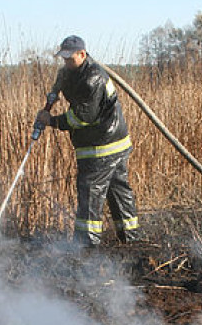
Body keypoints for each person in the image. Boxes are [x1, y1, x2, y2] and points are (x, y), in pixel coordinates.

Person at [35, 35, 140, 247]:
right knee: (118, 191)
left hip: (101, 146)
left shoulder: (94, 78)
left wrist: (51, 121)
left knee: (91, 192)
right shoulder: (69, 71)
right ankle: (131, 241)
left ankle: (86, 246)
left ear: (82, 54)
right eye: (63, 59)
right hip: (114, 142)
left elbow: (82, 117)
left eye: (69, 58)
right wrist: (54, 92)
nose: (65, 62)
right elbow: (61, 82)